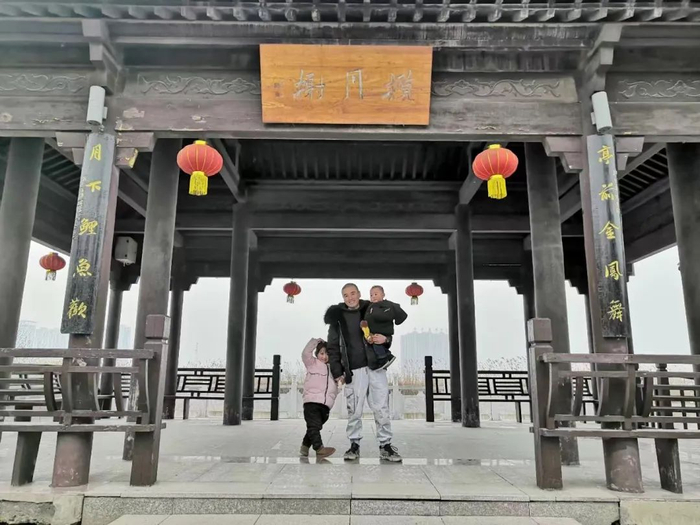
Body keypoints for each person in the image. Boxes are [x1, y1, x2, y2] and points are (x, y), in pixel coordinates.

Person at [324, 283, 402, 462]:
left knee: (381, 407)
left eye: (353, 293)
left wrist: (386, 339)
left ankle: (385, 445)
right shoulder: (337, 317)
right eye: (346, 295)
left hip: (376, 366)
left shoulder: (371, 309)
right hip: (353, 369)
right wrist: (337, 371)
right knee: (354, 409)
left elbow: (386, 330)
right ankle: (354, 445)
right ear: (343, 298)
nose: (350, 298)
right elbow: (333, 347)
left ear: (359, 294)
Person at [300, 338, 338, 458]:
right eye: (322, 353)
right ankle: (319, 448)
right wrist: (315, 342)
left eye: (327, 354)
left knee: (315, 427)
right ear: (317, 354)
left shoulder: (333, 368)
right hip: (311, 402)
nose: (324, 356)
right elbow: (305, 353)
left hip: (325, 405)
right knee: (314, 426)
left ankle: (304, 446)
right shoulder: (312, 363)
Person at [363, 285, 408, 370]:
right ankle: (387, 356)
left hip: (382, 332)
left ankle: (384, 358)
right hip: (370, 334)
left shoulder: (388, 305)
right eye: (371, 295)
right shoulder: (369, 306)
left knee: (377, 344)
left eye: (376, 294)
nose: (373, 297)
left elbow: (401, 314)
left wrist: (397, 321)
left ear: (383, 295)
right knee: (375, 345)